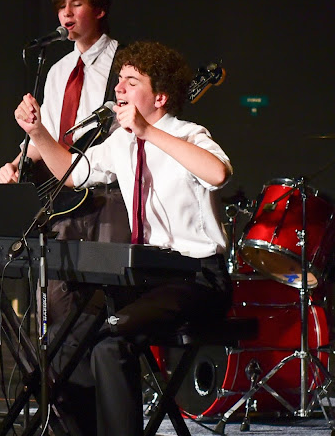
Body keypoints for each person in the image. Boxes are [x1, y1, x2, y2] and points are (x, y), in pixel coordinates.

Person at [13, 41, 233, 435]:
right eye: (119, 80)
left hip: (197, 279)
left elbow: (218, 174)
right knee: (65, 340)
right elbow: (74, 173)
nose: (119, 88)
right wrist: (38, 132)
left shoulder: (188, 134)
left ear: (159, 97)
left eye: (131, 81)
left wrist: (148, 132)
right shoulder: (121, 142)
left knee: (111, 342)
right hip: (146, 275)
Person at [0, 0, 130, 320]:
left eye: (76, 4)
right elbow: (48, 136)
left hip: (106, 196)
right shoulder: (58, 69)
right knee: (56, 301)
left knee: (105, 300)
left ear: (99, 10)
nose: (66, 14)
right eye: (61, 7)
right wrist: (17, 163)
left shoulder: (123, 63)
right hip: (61, 198)